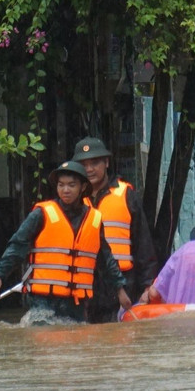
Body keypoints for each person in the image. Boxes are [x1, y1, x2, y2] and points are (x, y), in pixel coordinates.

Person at [0, 161, 131, 322]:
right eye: (61, 185)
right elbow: (17, 246)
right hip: (43, 300)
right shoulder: (41, 214)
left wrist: (120, 289)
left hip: (75, 303)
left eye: (71, 185)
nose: (65, 190)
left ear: (82, 187)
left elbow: (106, 259)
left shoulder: (94, 219)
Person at [72, 136, 157, 323]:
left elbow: (143, 245)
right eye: (84, 164)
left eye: (94, 163)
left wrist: (147, 286)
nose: (89, 169)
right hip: (84, 283)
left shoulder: (126, 195)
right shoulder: (72, 200)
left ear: (107, 162)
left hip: (123, 282)